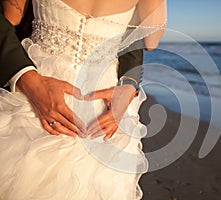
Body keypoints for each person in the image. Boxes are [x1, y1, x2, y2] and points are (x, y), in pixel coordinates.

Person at [0, 0, 166, 199]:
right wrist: (27, 78)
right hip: (52, 94)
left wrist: (129, 85)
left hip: (89, 99)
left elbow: (11, 16)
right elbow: (150, 40)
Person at [0, 0, 143, 138]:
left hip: (105, 111)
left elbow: (134, 32)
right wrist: (29, 80)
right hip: (29, 97)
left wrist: (129, 84)